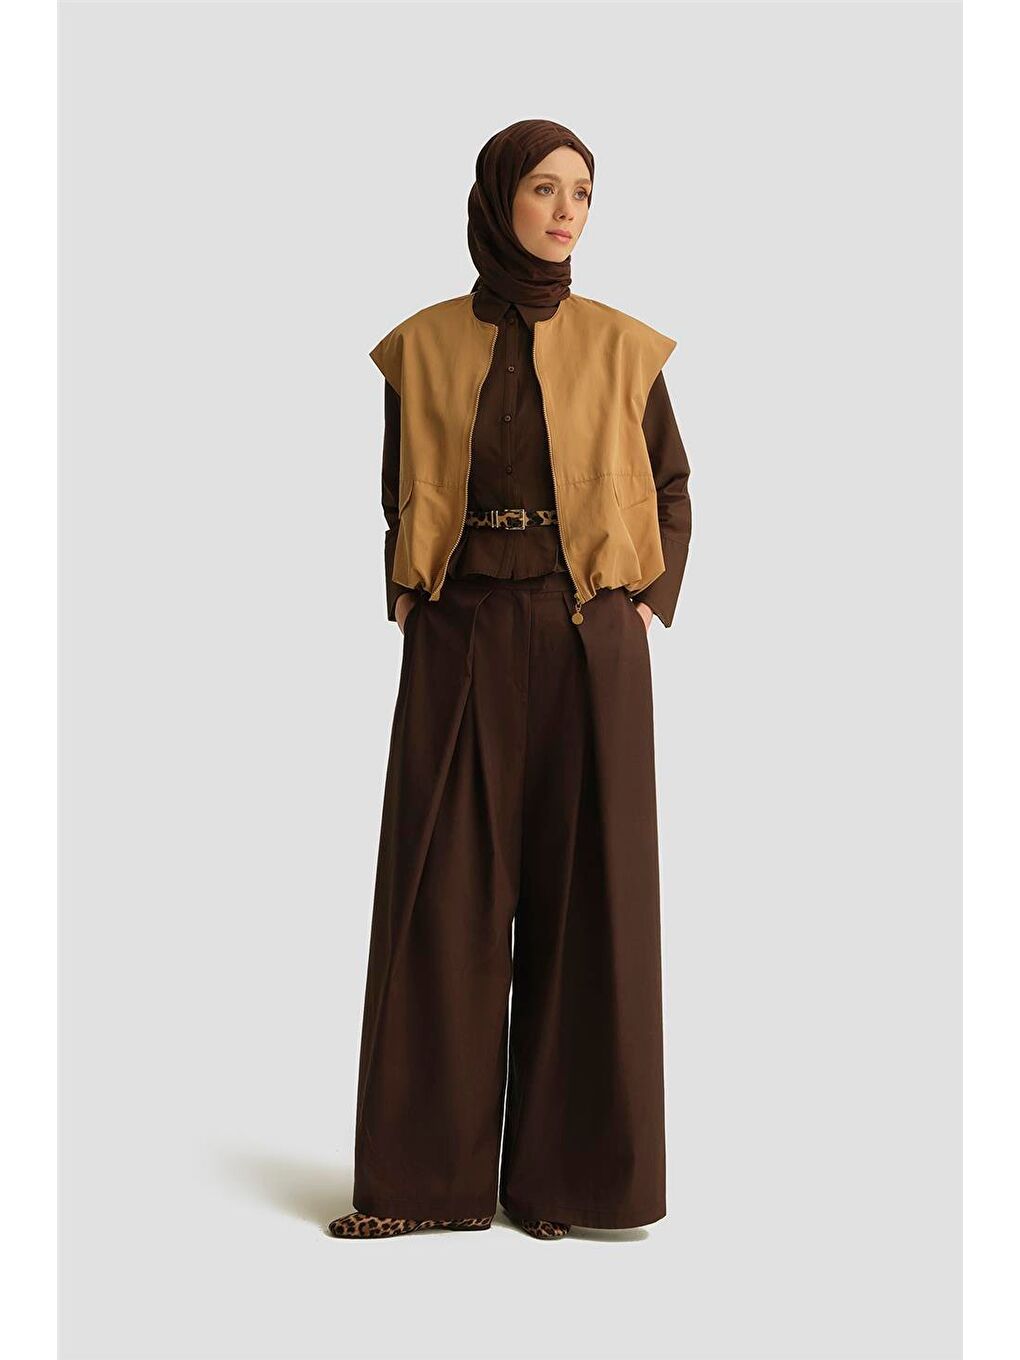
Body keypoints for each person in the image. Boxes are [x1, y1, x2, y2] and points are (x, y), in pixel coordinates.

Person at [328, 118, 692, 1241]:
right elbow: (399, 484)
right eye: (544, 188)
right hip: (462, 634)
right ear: (498, 199)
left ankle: (565, 1185)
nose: (566, 210)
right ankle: (421, 1187)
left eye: (581, 191)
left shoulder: (625, 347)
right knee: (441, 895)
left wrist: (645, 596)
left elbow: (672, 484)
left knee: (590, 899)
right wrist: (410, 591)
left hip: (589, 640)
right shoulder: (421, 347)